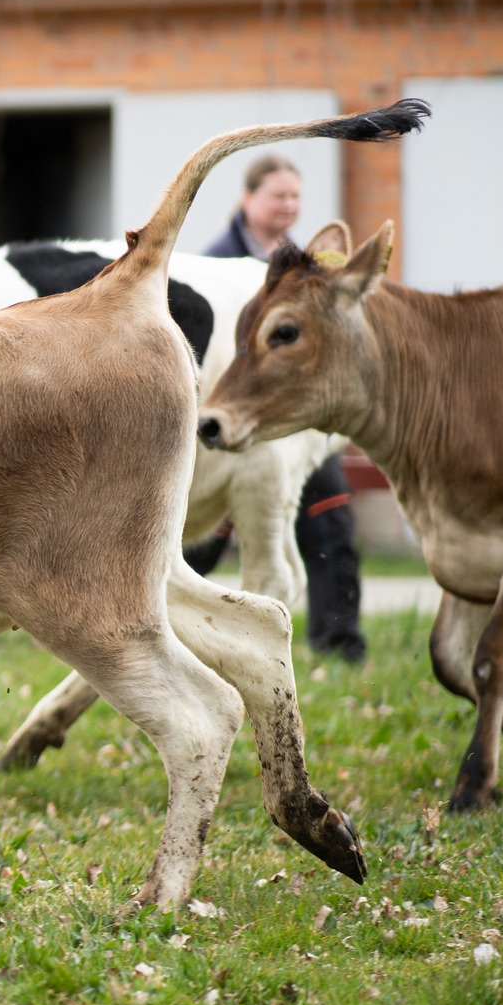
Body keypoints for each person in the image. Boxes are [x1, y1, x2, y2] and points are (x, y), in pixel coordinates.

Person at [192, 154, 367, 662]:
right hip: (239, 424)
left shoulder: (304, 265)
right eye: (277, 196)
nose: (288, 205)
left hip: (299, 423)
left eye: (295, 196)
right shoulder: (214, 265)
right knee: (200, 539)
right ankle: (180, 633)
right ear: (248, 198)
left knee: (330, 523)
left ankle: (340, 646)